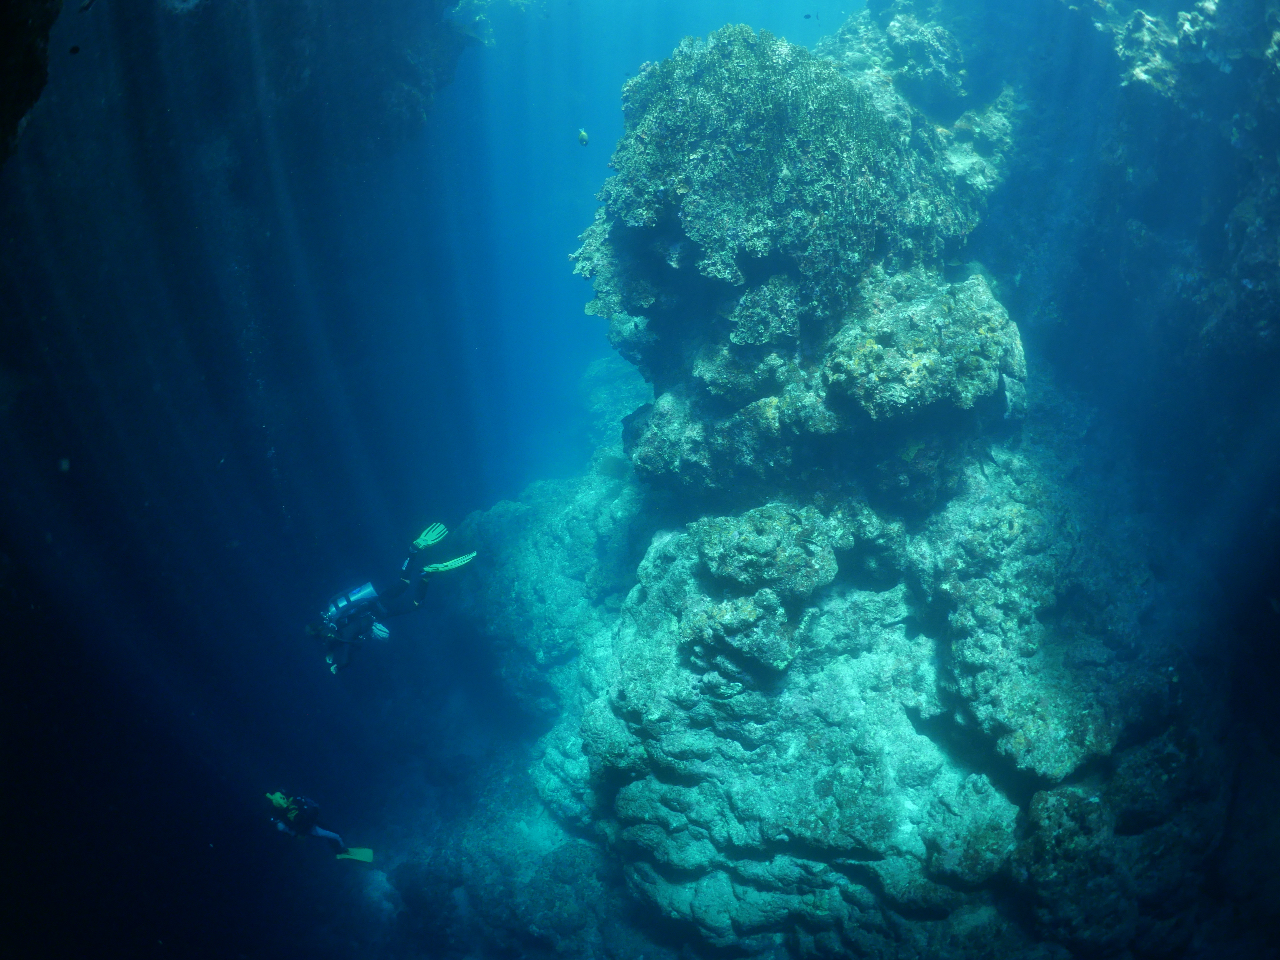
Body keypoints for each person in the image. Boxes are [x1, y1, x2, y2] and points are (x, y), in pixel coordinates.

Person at [307, 523, 476, 673]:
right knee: (404, 581)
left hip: (383, 610)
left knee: (416, 604)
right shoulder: (332, 617)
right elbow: (329, 641)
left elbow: (346, 657)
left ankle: (426, 575)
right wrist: (329, 654)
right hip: (377, 598)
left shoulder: (344, 634)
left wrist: (338, 666)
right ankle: (412, 552)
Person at [266, 791, 372, 862]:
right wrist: (313, 812)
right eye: (282, 799)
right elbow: (302, 821)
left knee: (331, 834)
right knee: (336, 836)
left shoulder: (289, 806)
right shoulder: (290, 813)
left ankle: (338, 849)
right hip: (310, 828)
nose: (285, 798)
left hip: (311, 824)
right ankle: (341, 852)